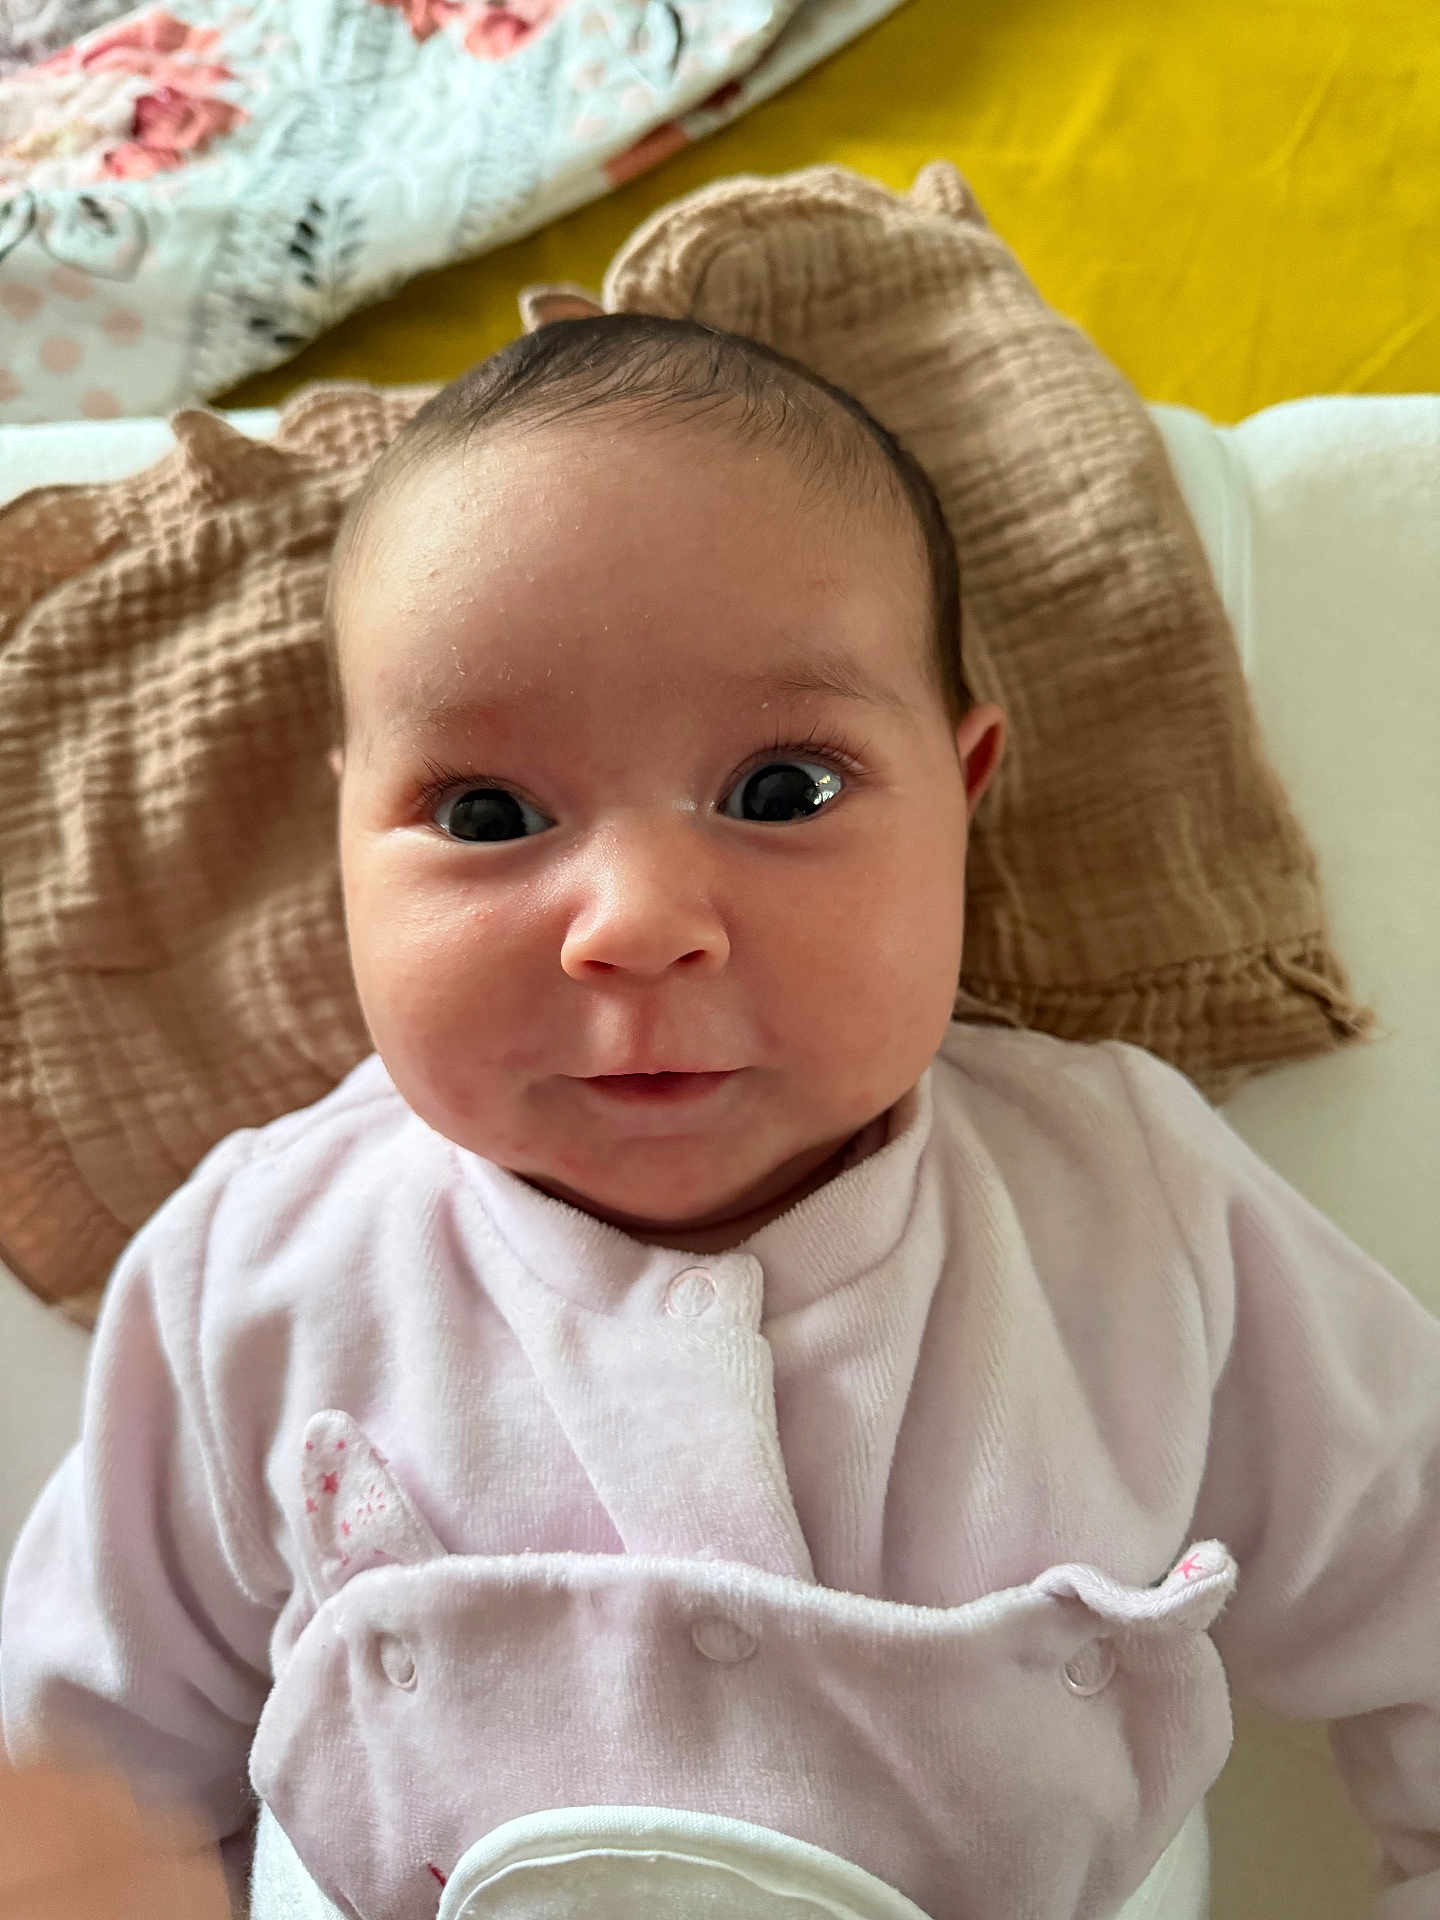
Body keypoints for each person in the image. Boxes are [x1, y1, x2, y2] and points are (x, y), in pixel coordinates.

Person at [3, 315, 1438, 1920]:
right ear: (342, 837)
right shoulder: (260, 1272)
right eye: (488, 815)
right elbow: (80, 1774)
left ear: (962, 800)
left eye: (782, 794)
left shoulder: (1130, 1211)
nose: (635, 920)